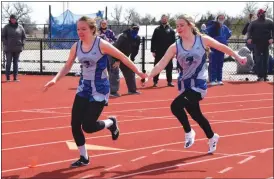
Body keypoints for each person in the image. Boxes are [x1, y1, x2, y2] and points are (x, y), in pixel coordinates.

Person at [44, 16, 147, 167]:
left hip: (99, 88)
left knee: (88, 126)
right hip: (84, 88)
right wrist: (55, 79)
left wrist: (140, 73)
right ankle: (84, 157)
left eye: (84, 29)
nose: (80, 32)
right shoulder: (76, 46)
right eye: (78, 29)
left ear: (93, 30)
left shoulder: (101, 44)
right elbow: (67, 66)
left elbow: (123, 57)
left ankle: (111, 122)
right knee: (74, 124)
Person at [144, 14, 247, 153]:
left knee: (175, 106)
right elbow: (161, 63)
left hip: (198, 84)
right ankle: (212, 137)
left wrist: (238, 57)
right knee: (196, 115)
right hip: (184, 85)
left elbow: (222, 47)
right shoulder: (175, 46)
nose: (178, 28)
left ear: (190, 25)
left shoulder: (202, 40)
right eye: (177, 25)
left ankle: (188, 132)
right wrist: (150, 76)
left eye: (182, 25)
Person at [110, 23, 141, 97]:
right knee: (114, 72)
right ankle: (113, 92)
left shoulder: (137, 38)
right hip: (113, 54)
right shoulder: (123, 36)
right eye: (134, 28)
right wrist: (117, 60)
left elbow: (135, 49)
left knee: (130, 70)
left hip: (124, 56)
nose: (135, 30)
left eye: (137, 28)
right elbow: (116, 48)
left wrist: (132, 59)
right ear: (130, 28)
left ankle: (132, 90)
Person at [247, 8, 274, 81]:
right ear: (259, 14)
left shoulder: (270, 22)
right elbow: (249, 31)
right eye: (262, 13)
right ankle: (259, 76)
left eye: (264, 13)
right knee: (258, 60)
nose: (263, 14)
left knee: (266, 59)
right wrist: (249, 38)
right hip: (257, 43)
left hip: (266, 43)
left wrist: (272, 38)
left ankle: (265, 76)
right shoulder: (253, 23)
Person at [206, 14, 232, 86]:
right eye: (220, 18)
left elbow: (229, 34)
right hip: (213, 48)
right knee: (213, 64)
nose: (221, 19)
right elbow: (206, 33)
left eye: (223, 18)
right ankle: (212, 79)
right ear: (217, 18)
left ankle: (219, 79)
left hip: (222, 48)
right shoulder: (213, 27)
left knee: (220, 64)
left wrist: (223, 40)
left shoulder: (225, 27)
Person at [151, 14, 176, 87]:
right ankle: (155, 81)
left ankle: (169, 81)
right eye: (163, 19)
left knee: (169, 67)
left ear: (167, 20)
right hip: (158, 52)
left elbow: (174, 42)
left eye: (165, 19)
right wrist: (153, 50)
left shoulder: (171, 30)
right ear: (161, 19)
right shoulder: (157, 29)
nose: (164, 20)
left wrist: (174, 52)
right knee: (157, 66)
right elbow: (153, 40)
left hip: (168, 52)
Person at [2, 14, 26, 82]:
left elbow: (24, 37)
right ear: (10, 19)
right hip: (8, 49)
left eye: (14, 18)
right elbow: (2, 36)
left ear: (16, 19)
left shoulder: (20, 27)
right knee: (8, 63)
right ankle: (7, 78)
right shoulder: (6, 27)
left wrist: (22, 43)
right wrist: (6, 43)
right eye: (12, 19)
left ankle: (15, 78)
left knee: (16, 63)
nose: (13, 20)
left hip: (17, 49)